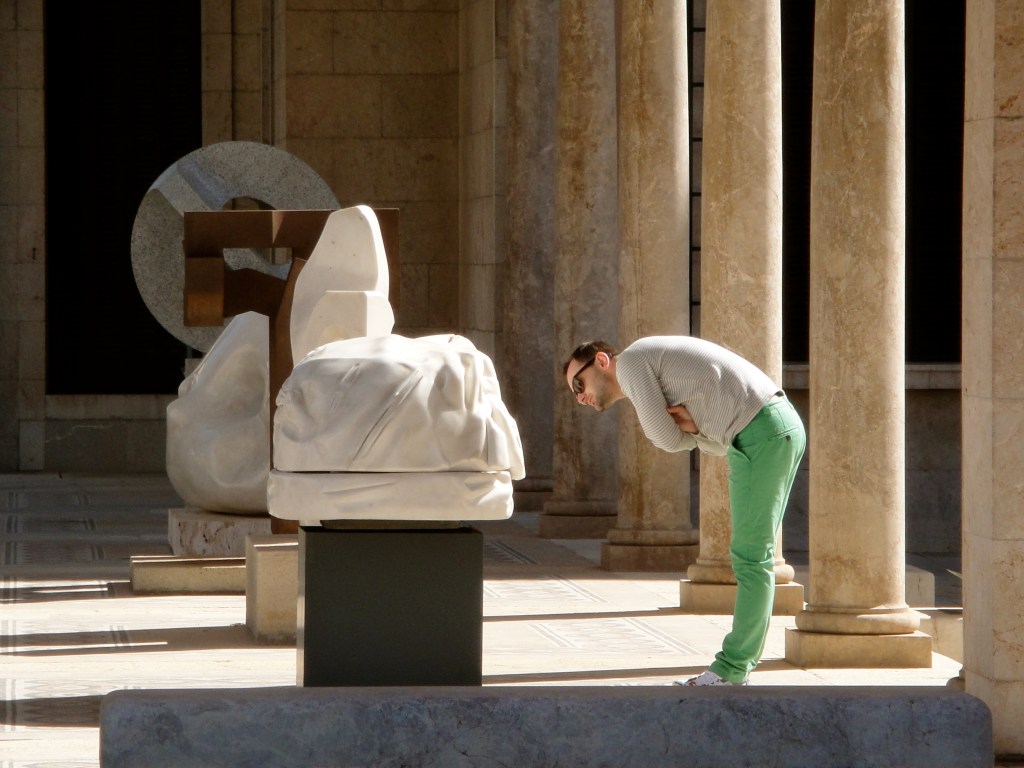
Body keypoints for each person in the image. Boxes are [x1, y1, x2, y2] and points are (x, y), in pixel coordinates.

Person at [563, 336, 805, 686]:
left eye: (578, 383)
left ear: (602, 361)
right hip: (762, 432)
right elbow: (710, 440)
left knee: (752, 559)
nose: (579, 397)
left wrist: (688, 435)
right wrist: (693, 431)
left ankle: (732, 671)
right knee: (754, 557)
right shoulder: (646, 361)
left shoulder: (630, 363)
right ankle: (737, 669)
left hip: (761, 432)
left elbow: (663, 437)